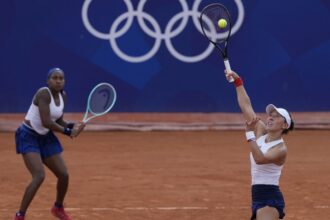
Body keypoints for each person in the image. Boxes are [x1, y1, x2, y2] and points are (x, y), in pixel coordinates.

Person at [14, 68, 85, 220]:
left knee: (63, 174)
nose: (58, 80)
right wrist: (68, 132)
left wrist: (73, 126)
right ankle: (20, 215)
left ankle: (57, 208)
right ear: (48, 80)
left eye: (61, 78)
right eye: (55, 77)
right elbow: (46, 122)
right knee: (39, 175)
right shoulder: (43, 93)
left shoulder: (63, 96)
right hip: (28, 136)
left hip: (46, 138)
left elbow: (58, 120)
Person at [225, 71, 294, 220]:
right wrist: (238, 82)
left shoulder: (280, 149)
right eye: (270, 115)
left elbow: (260, 159)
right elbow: (246, 106)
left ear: (285, 125)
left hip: (270, 199)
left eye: (276, 117)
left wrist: (250, 135)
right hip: (257, 196)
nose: (270, 118)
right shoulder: (261, 132)